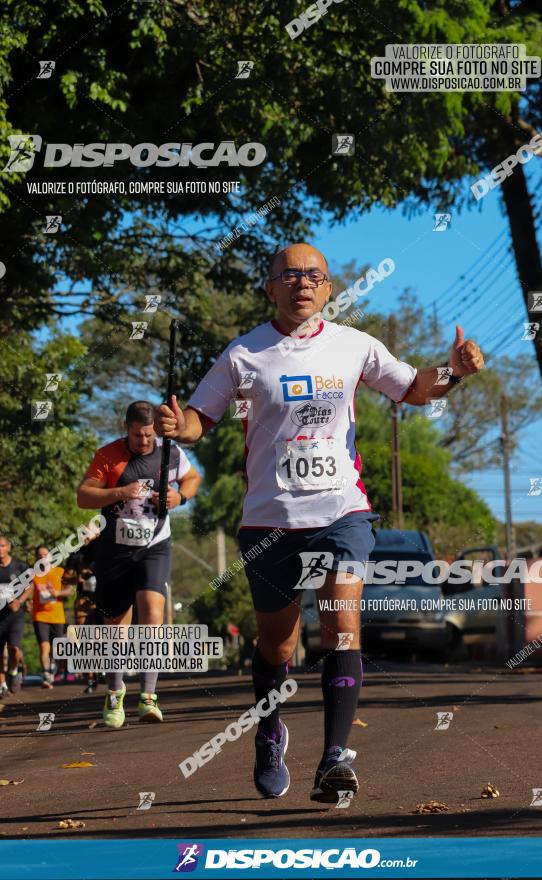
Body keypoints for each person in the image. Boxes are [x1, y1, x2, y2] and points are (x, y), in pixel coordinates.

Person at [156, 242, 484, 803]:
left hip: (342, 512)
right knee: (277, 647)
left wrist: (454, 371)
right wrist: (177, 426)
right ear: (270, 287)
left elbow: (414, 388)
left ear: (329, 289)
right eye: (289, 274)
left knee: (341, 624)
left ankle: (335, 757)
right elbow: (198, 418)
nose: (302, 283)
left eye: (314, 275)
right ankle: (270, 728)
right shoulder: (243, 355)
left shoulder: (354, 346)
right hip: (270, 522)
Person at [77, 400, 200, 728]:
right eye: (137, 436)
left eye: (148, 435)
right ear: (126, 429)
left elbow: (192, 478)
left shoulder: (170, 452)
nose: (144, 442)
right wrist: (119, 492)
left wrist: (180, 497)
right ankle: (115, 691)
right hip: (115, 551)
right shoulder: (108, 455)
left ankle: (148, 696)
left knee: (153, 615)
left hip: (155, 546)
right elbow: (84, 496)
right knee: (115, 626)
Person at [64, 535, 102, 693]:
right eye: (84, 535)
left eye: (90, 534)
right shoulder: (76, 555)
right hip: (82, 600)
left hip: (103, 599)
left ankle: (102, 670)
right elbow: (65, 578)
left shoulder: (105, 551)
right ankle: (90, 678)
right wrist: (78, 578)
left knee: (102, 638)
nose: (87, 538)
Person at [32, 546, 73, 688]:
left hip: (57, 616)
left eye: (45, 554)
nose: (43, 557)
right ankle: (46, 675)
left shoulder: (59, 572)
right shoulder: (33, 575)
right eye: (40, 555)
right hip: (39, 615)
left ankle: (53, 667)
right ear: (37, 558)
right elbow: (27, 593)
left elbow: (70, 590)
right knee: (44, 646)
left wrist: (58, 593)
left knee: (55, 649)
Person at [0, 536, 30, 695]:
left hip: (15, 616)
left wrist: (19, 601)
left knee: (13, 648)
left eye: (2, 546)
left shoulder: (19, 566)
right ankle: (2, 685)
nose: (0, 550)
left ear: (9, 547)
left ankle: (13, 670)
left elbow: (29, 587)